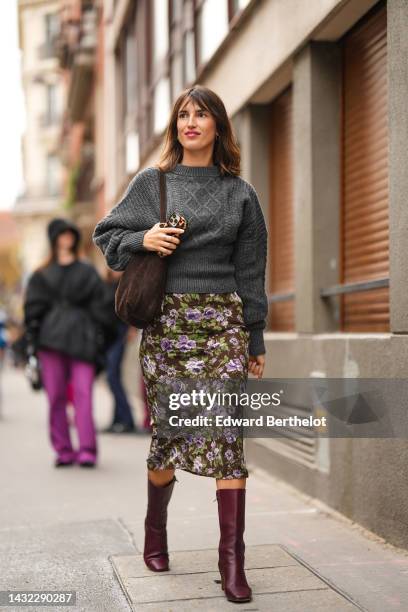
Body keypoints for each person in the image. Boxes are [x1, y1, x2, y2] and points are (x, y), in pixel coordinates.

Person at [93, 85, 267, 604]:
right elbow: (107, 237)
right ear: (176, 127)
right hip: (167, 326)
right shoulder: (154, 183)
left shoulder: (240, 194)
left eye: (202, 114)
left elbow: (252, 271)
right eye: (184, 114)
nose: (192, 122)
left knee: (226, 437)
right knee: (170, 433)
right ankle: (155, 529)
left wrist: (255, 335)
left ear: (218, 126)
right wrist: (143, 239)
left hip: (223, 328)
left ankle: (231, 564)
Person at [24, 218, 112, 468]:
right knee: (56, 397)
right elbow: (32, 311)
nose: (66, 238)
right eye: (61, 234)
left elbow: (102, 305)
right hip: (50, 342)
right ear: (53, 239)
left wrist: (97, 332)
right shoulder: (41, 275)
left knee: (84, 395)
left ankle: (87, 450)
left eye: (70, 233)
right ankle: (63, 450)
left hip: (81, 341)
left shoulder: (86, 271)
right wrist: (32, 342)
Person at [102, 270, 137, 434]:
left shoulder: (127, 281)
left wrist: (132, 328)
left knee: (112, 376)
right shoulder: (106, 283)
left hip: (120, 334)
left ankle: (127, 419)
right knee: (112, 376)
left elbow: (133, 305)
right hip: (108, 336)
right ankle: (117, 419)